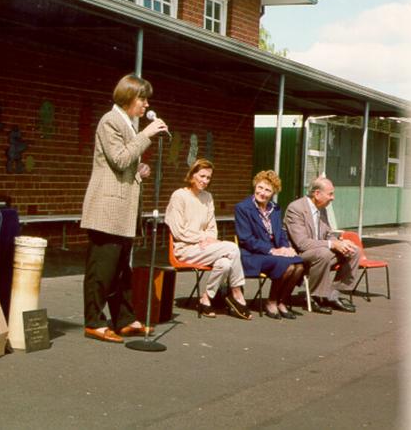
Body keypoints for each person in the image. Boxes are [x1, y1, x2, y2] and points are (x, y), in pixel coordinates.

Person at [80, 73, 169, 343]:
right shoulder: (110, 121)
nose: (145, 105)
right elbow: (119, 159)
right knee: (102, 268)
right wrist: (146, 135)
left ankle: (124, 319)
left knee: (121, 268)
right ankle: (94, 321)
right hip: (107, 209)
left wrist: (138, 171)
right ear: (128, 97)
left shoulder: (128, 124)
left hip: (123, 211)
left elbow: (123, 164)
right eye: (142, 99)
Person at [165, 158, 251, 320]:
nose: (205, 181)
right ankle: (237, 292)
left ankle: (206, 298)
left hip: (203, 248)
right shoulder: (179, 196)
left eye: (208, 178)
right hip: (185, 249)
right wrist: (203, 237)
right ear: (192, 175)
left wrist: (209, 238)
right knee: (232, 248)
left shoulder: (208, 197)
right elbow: (178, 232)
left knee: (225, 264)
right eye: (202, 176)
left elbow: (212, 228)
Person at [284, 177, 360, 314]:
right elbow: (302, 244)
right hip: (301, 254)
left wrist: (341, 243)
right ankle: (315, 297)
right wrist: (332, 244)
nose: (333, 198)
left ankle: (333, 294)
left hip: (321, 251)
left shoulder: (322, 209)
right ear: (317, 194)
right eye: (330, 194)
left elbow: (327, 233)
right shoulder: (295, 208)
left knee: (353, 250)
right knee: (323, 254)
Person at [235, 170, 305, 320]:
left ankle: (282, 302)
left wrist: (286, 248)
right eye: (260, 187)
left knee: (299, 265)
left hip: (273, 253)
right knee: (288, 266)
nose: (262, 192)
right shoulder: (242, 208)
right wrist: (273, 250)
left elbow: (280, 233)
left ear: (273, 192)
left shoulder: (275, 208)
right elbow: (246, 239)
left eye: (267, 190)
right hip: (251, 254)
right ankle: (271, 301)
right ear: (255, 186)